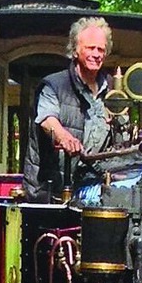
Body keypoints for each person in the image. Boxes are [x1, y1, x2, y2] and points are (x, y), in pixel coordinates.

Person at [24, 17, 114, 200]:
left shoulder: (112, 88)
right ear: (75, 50)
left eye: (101, 49)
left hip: (93, 190)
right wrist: (64, 137)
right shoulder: (54, 85)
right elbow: (47, 119)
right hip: (49, 191)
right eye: (90, 48)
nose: (96, 54)